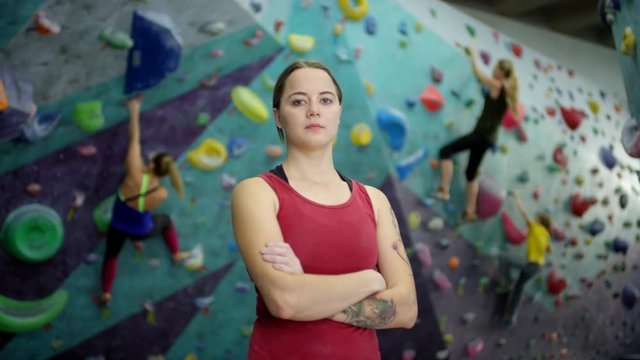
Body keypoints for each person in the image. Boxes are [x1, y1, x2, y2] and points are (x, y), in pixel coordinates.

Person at [231, 60, 418, 359]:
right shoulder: (257, 193)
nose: (314, 110)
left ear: (339, 113)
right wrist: (369, 280)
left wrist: (306, 286)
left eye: (326, 100)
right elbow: (285, 301)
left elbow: (406, 309)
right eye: (298, 101)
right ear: (279, 117)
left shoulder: (374, 200)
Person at [100, 96, 189, 306]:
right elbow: (146, 207)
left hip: (117, 224)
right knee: (165, 220)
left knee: (111, 257)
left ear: (151, 162)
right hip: (141, 230)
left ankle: (106, 293)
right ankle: (176, 253)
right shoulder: (162, 193)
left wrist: (134, 109)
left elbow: (134, 138)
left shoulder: (133, 170)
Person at [433, 47, 520, 221]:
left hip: (481, 135)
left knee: (445, 151)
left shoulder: (498, 85)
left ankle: (444, 190)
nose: (494, 70)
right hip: (487, 138)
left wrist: (473, 54)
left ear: (502, 72)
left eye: (497, 68)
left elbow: (478, 74)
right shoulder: (506, 90)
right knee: (470, 173)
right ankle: (470, 211)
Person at [498, 191, 553, 326]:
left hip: (531, 265)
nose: (534, 219)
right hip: (537, 268)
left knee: (503, 257)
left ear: (539, 221)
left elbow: (523, 213)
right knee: (519, 289)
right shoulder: (546, 235)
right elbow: (549, 249)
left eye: (537, 218)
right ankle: (511, 317)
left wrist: (516, 198)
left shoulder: (535, 227)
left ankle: (507, 282)